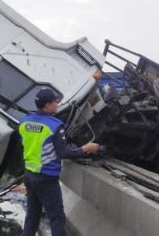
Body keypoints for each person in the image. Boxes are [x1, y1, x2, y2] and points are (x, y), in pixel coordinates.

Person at [19, 88, 99, 236]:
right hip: (46, 178)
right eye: (55, 101)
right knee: (57, 217)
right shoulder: (54, 125)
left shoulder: (24, 121)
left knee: (33, 213)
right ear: (48, 105)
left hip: (29, 175)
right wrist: (86, 148)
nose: (58, 104)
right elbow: (64, 153)